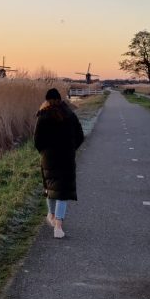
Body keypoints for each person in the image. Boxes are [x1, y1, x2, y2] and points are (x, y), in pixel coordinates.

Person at [33, 87, 85, 239]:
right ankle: (58, 225)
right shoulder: (70, 114)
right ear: (60, 99)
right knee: (62, 192)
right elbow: (80, 136)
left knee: (50, 187)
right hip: (66, 158)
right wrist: (71, 149)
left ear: (46, 100)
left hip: (48, 158)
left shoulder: (42, 116)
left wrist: (44, 153)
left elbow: (37, 141)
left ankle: (51, 215)